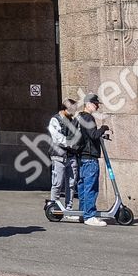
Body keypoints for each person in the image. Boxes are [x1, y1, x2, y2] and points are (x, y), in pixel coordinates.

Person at [75, 95, 110, 227]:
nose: (97, 106)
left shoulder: (78, 117)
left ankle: (82, 214)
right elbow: (93, 135)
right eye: (95, 104)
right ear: (88, 104)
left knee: (83, 186)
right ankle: (89, 215)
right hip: (90, 157)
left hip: (82, 156)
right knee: (91, 187)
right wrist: (103, 128)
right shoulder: (88, 117)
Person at [47, 100, 79, 206]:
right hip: (58, 156)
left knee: (71, 184)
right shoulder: (55, 120)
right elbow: (57, 138)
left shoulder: (74, 121)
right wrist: (70, 143)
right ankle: (53, 206)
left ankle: (68, 208)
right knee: (57, 183)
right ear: (65, 109)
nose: (74, 111)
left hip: (71, 156)